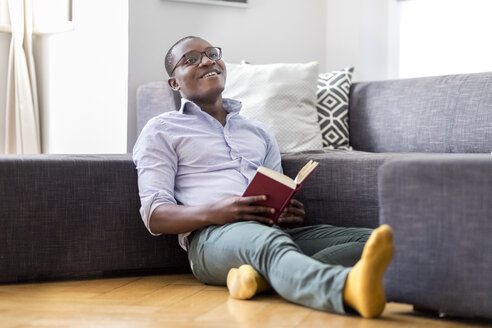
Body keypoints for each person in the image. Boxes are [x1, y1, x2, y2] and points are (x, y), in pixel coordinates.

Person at [133, 36, 394, 318]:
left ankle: (263, 279)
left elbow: (278, 186)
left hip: (275, 231)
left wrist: (283, 210)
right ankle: (342, 289)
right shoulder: (161, 130)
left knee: (372, 239)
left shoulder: (257, 131)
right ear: (175, 82)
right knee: (267, 243)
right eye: (192, 59)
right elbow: (155, 216)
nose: (207, 60)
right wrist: (216, 212)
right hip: (210, 239)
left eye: (211, 53)